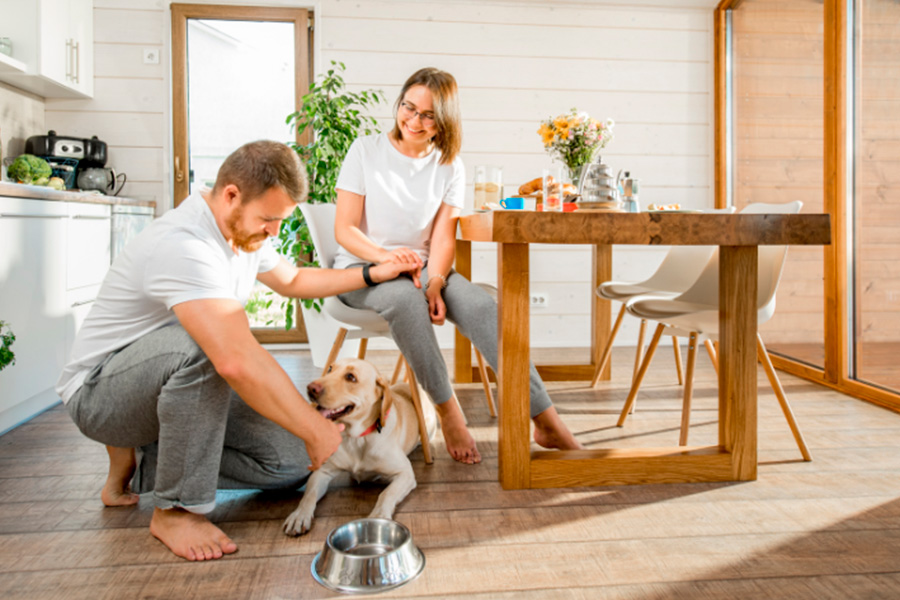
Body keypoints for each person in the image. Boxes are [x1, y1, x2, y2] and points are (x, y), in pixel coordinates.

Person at [55, 140, 418, 562]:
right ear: (231, 194)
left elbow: (295, 280)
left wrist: (374, 272)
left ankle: (148, 462)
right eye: (269, 219)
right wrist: (315, 426)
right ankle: (175, 509)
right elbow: (233, 358)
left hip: (169, 393)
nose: (274, 232)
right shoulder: (184, 244)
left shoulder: (242, 233)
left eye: (279, 221)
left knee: (291, 462)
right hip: (101, 395)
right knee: (211, 346)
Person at [333, 68, 583, 465]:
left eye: (428, 115)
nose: (414, 121)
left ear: (445, 120)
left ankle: (546, 418)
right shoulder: (365, 151)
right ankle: (449, 412)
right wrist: (388, 259)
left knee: (483, 306)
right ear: (398, 104)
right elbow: (344, 229)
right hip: (363, 270)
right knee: (403, 300)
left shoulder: (450, 164)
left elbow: (444, 236)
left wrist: (434, 281)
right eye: (408, 108)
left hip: (423, 268)